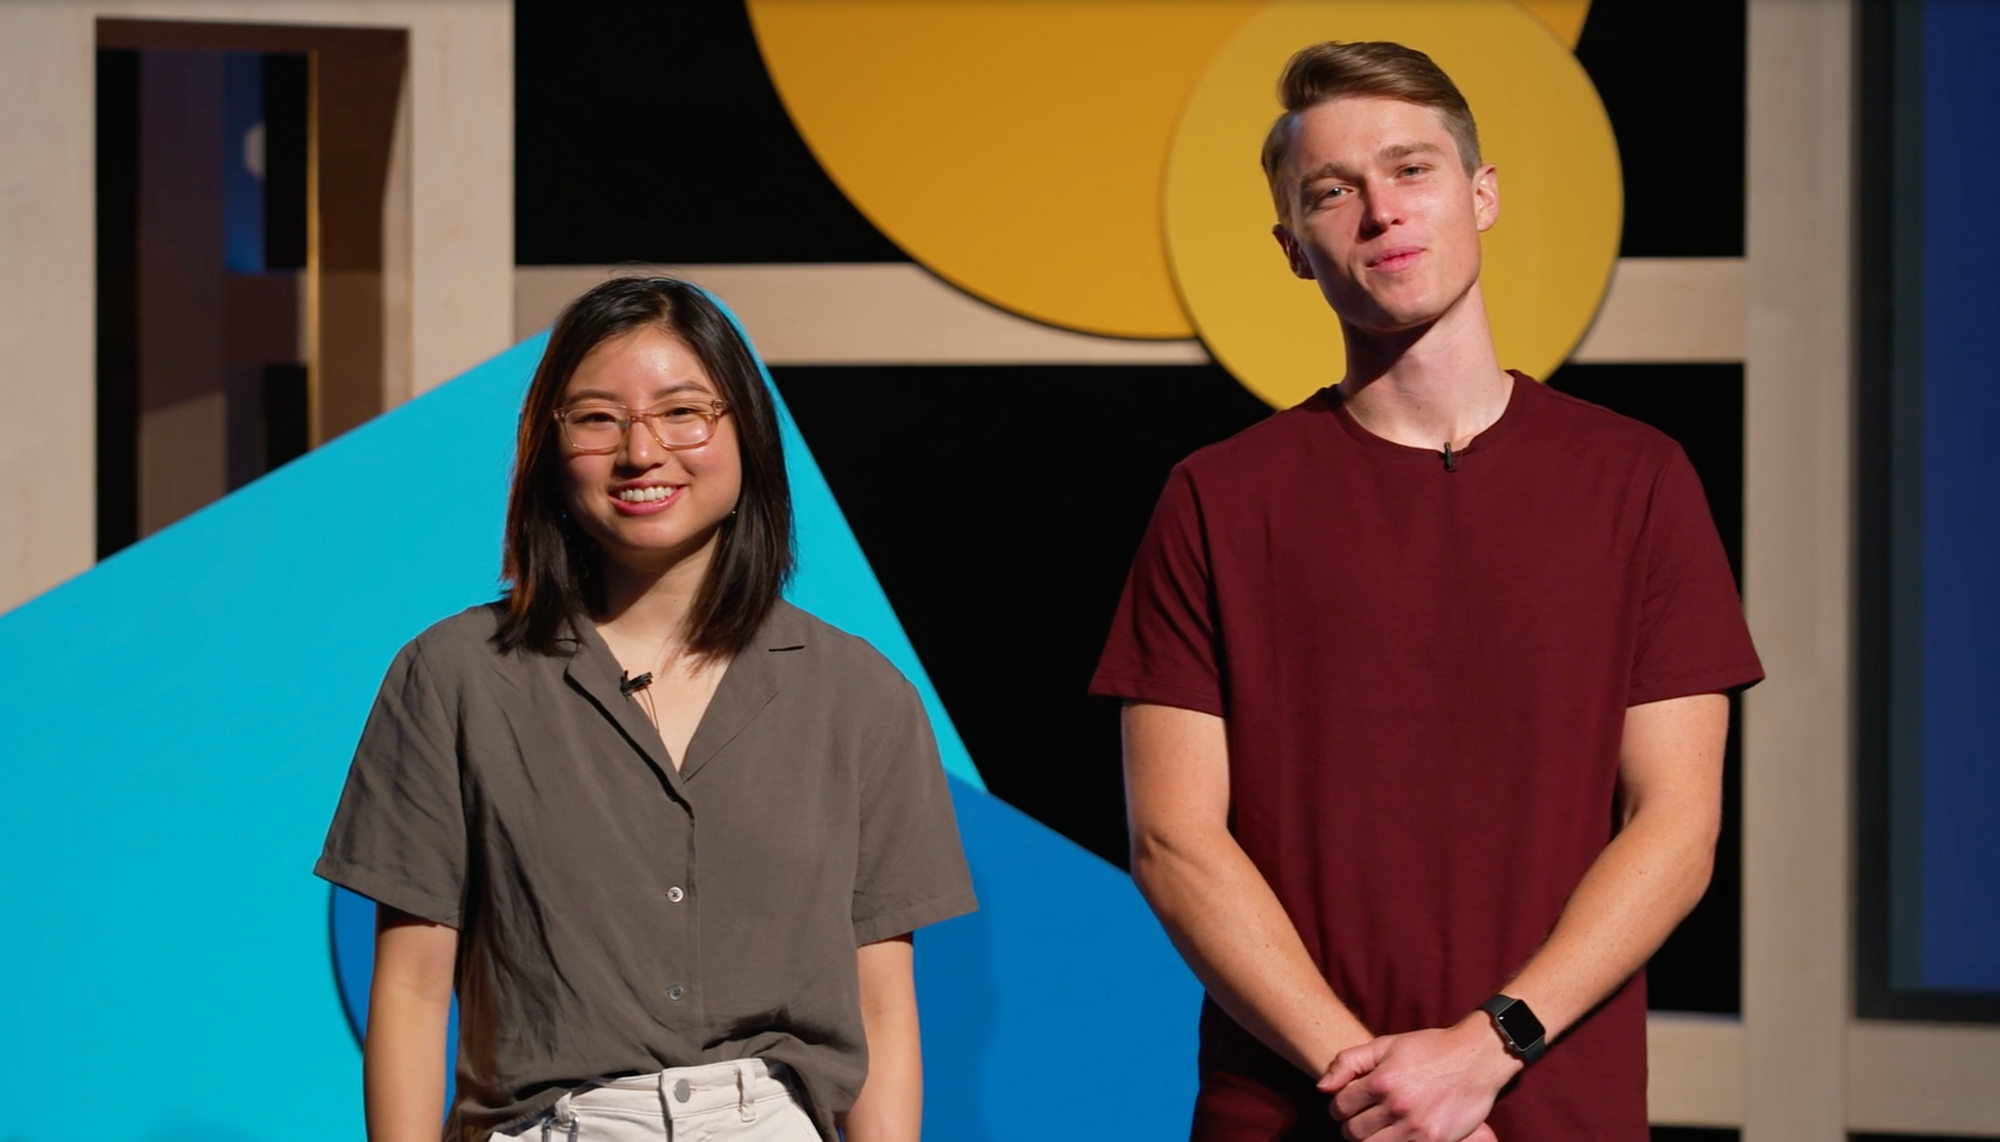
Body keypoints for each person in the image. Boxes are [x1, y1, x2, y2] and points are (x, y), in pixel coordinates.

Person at [1090, 41, 1762, 1141]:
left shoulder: (1635, 479)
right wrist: (1382, 1086)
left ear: (1480, 194)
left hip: (1550, 1106)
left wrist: (1484, 1046)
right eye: (1331, 191)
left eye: (1410, 169)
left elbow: (1674, 824)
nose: (1379, 210)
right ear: (1292, 250)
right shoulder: (1214, 498)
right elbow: (1173, 840)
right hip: (1294, 1109)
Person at [316, 276, 976, 1142]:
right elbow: (408, 988)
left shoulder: (860, 694)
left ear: (747, 433)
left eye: (682, 413)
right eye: (595, 418)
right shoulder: (452, 677)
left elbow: (882, 1008)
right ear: (547, 450)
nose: (641, 451)